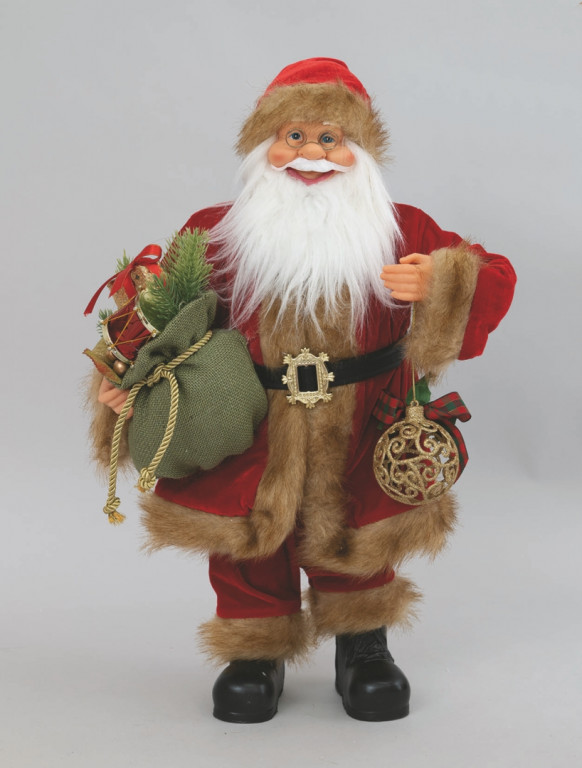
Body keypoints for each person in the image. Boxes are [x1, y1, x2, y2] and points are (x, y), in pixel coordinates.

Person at [91, 58, 516, 723]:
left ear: (361, 150)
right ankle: (254, 649)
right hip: (252, 420)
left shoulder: (402, 231)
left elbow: (492, 274)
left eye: (330, 138)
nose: (311, 155)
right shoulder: (216, 234)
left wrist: (442, 280)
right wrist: (125, 379)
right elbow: (155, 312)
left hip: (366, 416)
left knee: (357, 524)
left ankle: (363, 643)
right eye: (293, 136)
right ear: (264, 144)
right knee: (249, 532)